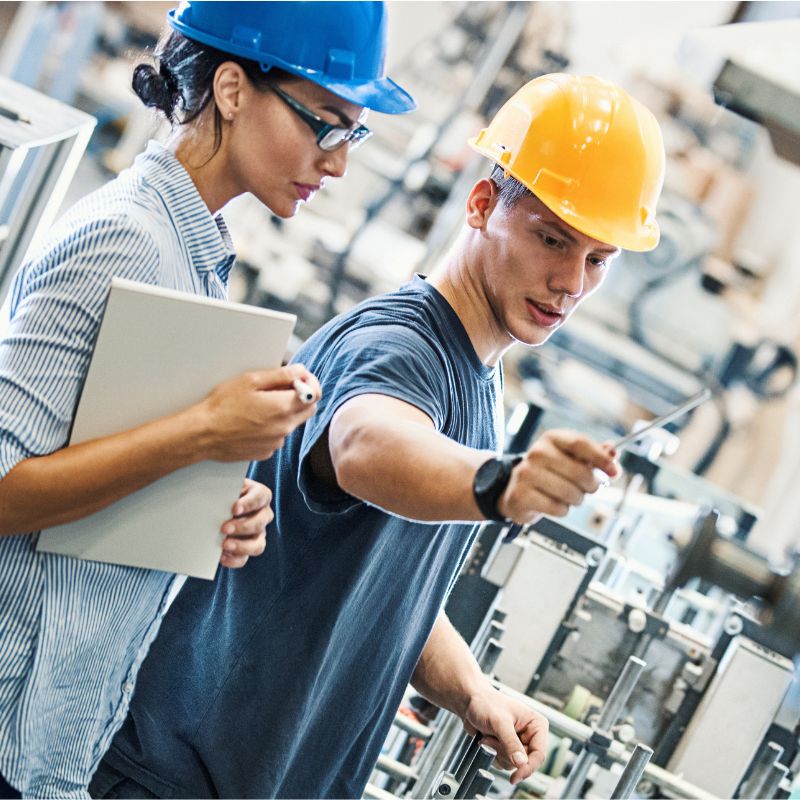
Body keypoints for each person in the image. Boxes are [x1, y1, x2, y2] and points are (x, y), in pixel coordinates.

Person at [93, 73, 665, 799]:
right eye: (552, 239)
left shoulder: (476, 377)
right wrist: (500, 482)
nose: (570, 282)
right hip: (179, 776)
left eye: (598, 261)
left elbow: (384, 589)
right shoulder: (403, 346)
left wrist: (469, 690)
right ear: (484, 204)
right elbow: (366, 442)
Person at [0, 2, 414, 797]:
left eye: (352, 134)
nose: (338, 164)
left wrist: (202, 507)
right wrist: (201, 434)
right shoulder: (128, 237)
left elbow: (89, 470)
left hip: (50, 741)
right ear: (231, 88)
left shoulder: (192, 255)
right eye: (326, 123)